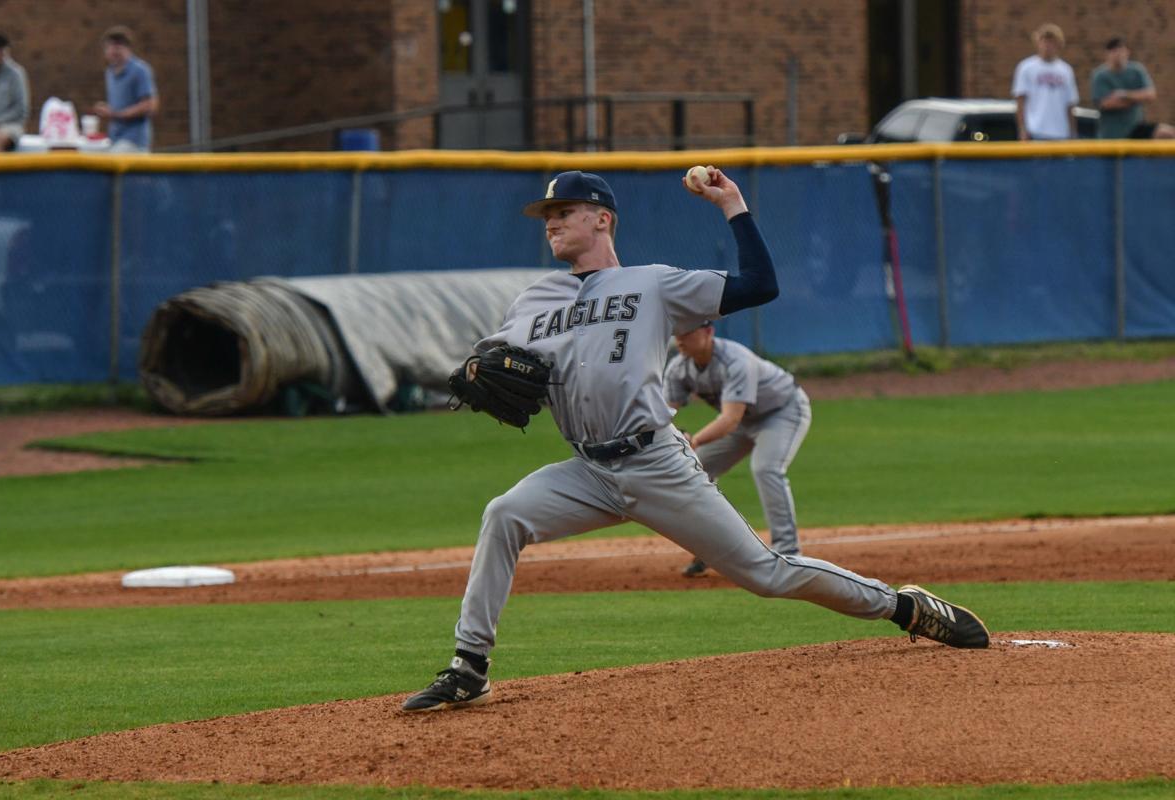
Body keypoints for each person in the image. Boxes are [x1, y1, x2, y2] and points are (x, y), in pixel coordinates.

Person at [400, 168, 990, 713]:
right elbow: (492, 363)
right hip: (588, 472)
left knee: (768, 573)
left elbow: (760, 285)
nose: (550, 222)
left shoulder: (653, 284)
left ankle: (904, 607)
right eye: (546, 215)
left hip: (656, 463)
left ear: (602, 219)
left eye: (563, 211)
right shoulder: (533, 301)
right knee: (504, 514)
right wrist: (473, 372)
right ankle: (469, 666)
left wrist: (733, 205)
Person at [664, 323, 810, 577]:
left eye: (687, 332)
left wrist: (693, 440)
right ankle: (710, 550)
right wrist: (677, 436)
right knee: (694, 470)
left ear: (708, 332)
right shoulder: (678, 368)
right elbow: (663, 415)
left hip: (782, 411)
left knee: (766, 468)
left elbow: (730, 420)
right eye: (677, 333)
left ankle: (789, 553)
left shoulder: (735, 360)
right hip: (743, 421)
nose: (680, 339)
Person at [1091, 38, 1175, 140]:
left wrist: (1124, 95)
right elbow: (1106, 104)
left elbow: (1151, 95)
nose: (1118, 55)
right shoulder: (1100, 75)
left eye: (1121, 51)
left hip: (1136, 127)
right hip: (1112, 134)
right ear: (1107, 54)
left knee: (1168, 133)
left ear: (1128, 52)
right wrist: (1138, 98)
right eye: (1114, 51)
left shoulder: (1136, 70)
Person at [93, 26, 158, 152]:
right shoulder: (110, 72)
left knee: (109, 161)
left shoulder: (140, 70)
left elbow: (150, 105)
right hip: (115, 137)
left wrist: (115, 114)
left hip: (135, 140)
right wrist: (108, 110)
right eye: (109, 47)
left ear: (127, 48)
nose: (113, 51)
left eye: (117, 47)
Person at [1011, 23, 1079, 141]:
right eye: (1044, 41)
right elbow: (1020, 101)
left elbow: (1070, 104)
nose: (1047, 46)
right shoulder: (1026, 67)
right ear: (1038, 43)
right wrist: (1022, 129)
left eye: (1052, 42)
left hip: (1061, 133)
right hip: (1035, 131)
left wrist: (1072, 132)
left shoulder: (1066, 70)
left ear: (1059, 45)